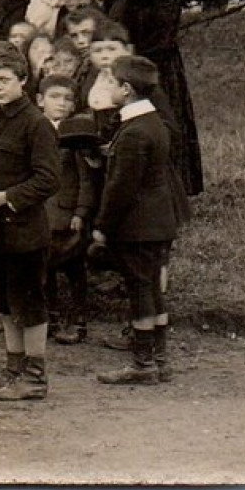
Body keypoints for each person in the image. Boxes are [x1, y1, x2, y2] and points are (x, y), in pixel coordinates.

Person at [0, 42, 59, 402]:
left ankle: (34, 377)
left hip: (24, 232)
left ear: (23, 80)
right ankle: (12, 372)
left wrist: (2, 198)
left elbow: (48, 180)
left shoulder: (37, 124)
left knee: (28, 304)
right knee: (2, 302)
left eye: (4, 79)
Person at [93, 55, 188, 385]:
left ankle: (143, 363)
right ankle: (159, 360)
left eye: (110, 82)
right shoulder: (153, 123)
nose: (106, 88)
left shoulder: (134, 132)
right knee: (153, 290)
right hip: (158, 222)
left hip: (138, 226)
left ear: (126, 88)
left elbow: (121, 187)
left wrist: (102, 227)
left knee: (141, 291)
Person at [109, 0, 202, 196]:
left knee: (161, 125)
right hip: (125, 65)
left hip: (156, 70)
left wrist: (132, 60)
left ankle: (170, 189)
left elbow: (161, 39)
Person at [36, 78, 100, 346]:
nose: (61, 104)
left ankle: (79, 320)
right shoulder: (35, 129)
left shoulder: (76, 134)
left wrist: (81, 212)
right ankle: (50, 315)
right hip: (41, 213)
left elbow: (86, 178)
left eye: (67, 99)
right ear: (40, 100)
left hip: (68, 215)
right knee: (44, 267)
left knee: (74, 269)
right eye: (54, 97)